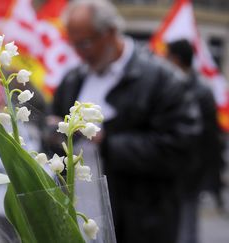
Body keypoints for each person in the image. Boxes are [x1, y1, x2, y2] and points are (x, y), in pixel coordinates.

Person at [52, 1, 201, 243]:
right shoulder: (73, 78)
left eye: (85, 43)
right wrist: (54, 131)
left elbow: (180, 147)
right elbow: (56, 123)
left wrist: (108, 142)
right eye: (74, 44)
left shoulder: (162, 78)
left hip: (142, 220)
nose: (80, 52)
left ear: (110, 32)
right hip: (80, 212)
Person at [165, 39, 226, 243]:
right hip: (176, 170)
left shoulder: (197, 91)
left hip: (189, 171)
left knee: (186, 224)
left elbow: (207, 138)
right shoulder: (177, 86)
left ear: (176, 59)